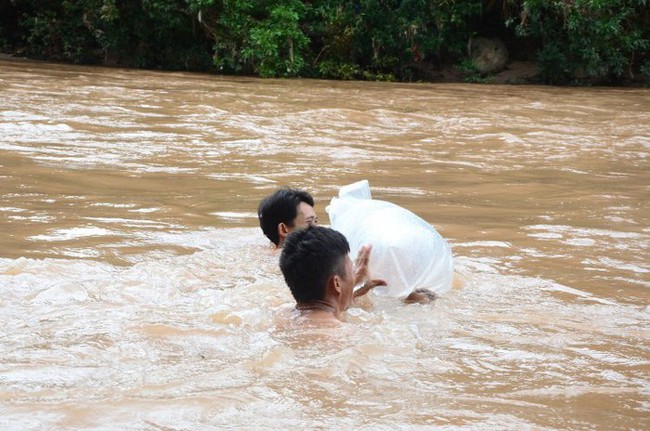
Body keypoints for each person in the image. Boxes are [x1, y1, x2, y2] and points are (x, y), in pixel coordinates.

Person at [279, 225, 386, 324]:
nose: (354, 276)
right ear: (337, 283)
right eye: (351, 271)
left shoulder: (282, 315)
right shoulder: (348, 335)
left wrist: (352, 290)